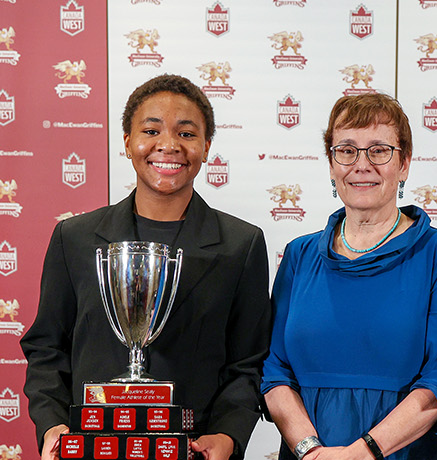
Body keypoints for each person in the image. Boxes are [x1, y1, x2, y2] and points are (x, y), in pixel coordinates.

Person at [21, 75, 274, 460]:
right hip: (93, 448)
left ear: (206, 147)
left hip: (193, 450)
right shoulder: (74, 238)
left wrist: (226, 436)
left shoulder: (242, 244)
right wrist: (53, 424)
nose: (169, 145)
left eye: (187, 134)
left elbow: (248, 362)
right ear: (127, 143)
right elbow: (47, 347)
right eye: (151, 130)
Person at [260, 93, 437, 460]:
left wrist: (362, 453)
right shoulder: (299, 255)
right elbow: (274, 370)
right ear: (331, 163)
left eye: (379, 150)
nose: (361, 164)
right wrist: (310, 452)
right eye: (346, 150)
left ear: (404, 164)